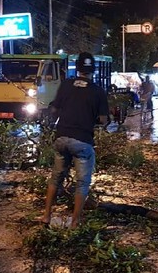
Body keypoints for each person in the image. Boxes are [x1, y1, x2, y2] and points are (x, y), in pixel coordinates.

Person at [40, 52, 109, 229]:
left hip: (61, 138)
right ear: (92, 70)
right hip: (82, 141)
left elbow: (54, 110)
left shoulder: (66, 85)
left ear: (77, 68)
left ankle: (46, 216)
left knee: (56, 178)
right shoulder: (98, 91)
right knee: (82, 183)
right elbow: (103, 120)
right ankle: (75, 222)